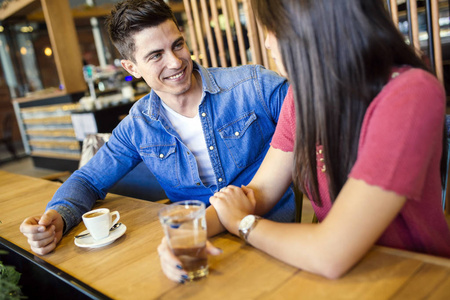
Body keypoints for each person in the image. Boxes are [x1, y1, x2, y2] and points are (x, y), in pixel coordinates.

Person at [158, 0, 450, 282]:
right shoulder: (302, 98)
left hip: (414, 276)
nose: (268, 43)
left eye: (271, 28)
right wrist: (185, 234)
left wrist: (243, 224)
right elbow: (257, 194)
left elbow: (331, 252)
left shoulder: (409, 94)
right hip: (339, 277)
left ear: (306, 28)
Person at [19, 0, 295, 255]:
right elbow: (88, 179)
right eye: (155, 56)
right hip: (194, 244)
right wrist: (59, 216)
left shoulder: (254, 86)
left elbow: (317, 122)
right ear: (132, 67)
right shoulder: (138, 126)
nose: (175, 62)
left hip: (271, 235)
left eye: (177, 45)